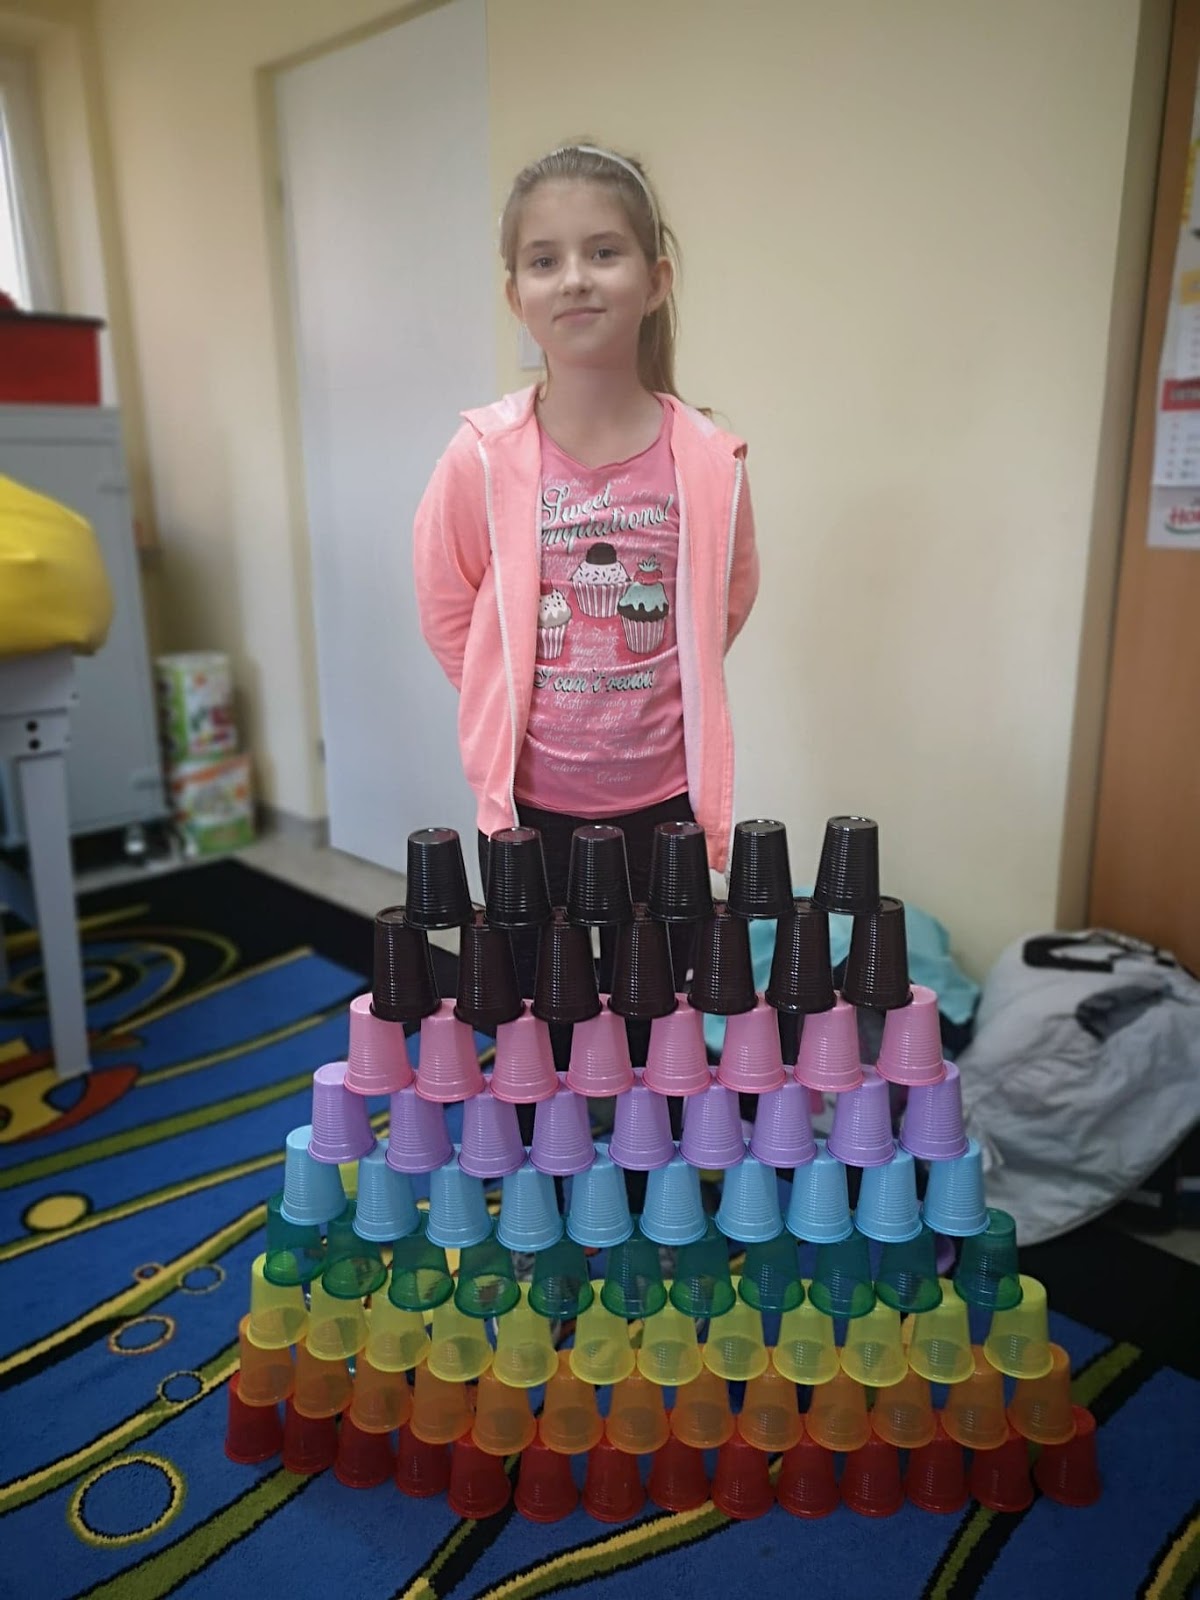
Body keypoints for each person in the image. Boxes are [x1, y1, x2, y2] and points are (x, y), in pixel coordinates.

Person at [414, 142, 760, 996]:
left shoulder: (708, 459)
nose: (574, 278)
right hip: (530, 813)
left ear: (656, 280)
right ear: (516, 296)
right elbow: (448, 606)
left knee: (660, 1013)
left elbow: (724, 599)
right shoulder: (481, 455)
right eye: (544, 260)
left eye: (603, 252)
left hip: (665, 811)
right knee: (543, 1013)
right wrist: (501, 694)